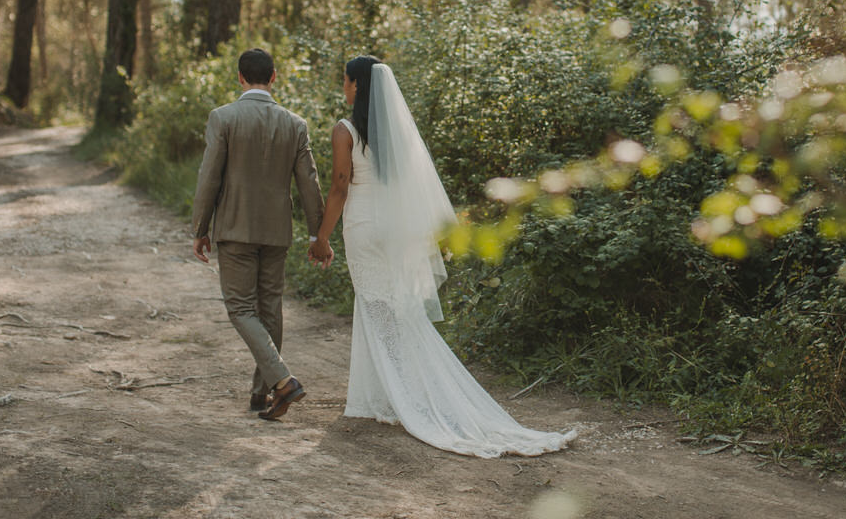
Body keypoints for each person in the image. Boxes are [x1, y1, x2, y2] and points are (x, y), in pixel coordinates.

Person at [310, 55, 576, 457]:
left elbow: (340, 185)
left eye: (346, 80)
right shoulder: (394, 135)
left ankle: (401, 396)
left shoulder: (343, 131)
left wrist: (322, 238)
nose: (343, 87)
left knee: (375, 306)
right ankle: (391, 393)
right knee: (396, 308)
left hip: (363, 226)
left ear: (357, 85)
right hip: (393, 227)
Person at [191, 48, 331, 420]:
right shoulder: (295, 124)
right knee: (270, 309)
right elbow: (309, 182)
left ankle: (282, 381)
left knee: (240, 308)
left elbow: (209, 177)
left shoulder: (223, 117)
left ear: (240, 77)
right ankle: (262, 393)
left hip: (235, 228)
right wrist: (317, 235)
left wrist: (200, 228)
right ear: (273, 77)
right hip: (276, 231)